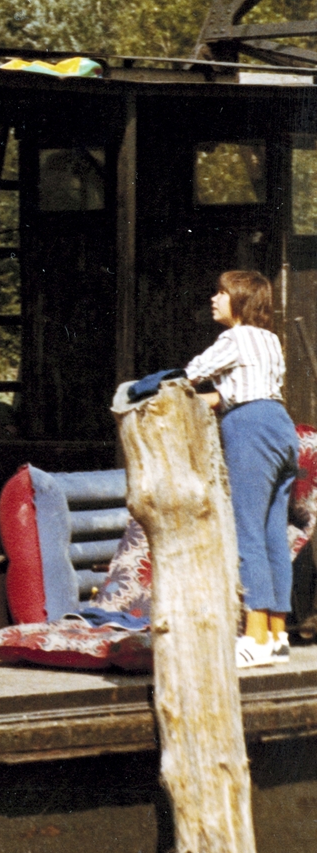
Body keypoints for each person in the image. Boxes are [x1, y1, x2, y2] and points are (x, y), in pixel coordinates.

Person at [186, 269, 299, 668]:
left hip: (251, 429)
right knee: (272, 535)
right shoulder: (270, 340)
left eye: (221, 293)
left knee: (246, 531)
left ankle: (252, 640)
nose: (214, 299)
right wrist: (211, 400)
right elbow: (237, 390)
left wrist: (154, 388)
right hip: (282, 429)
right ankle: (276, 636)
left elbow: (190, 374)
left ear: (240, 300)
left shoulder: (233, 338)